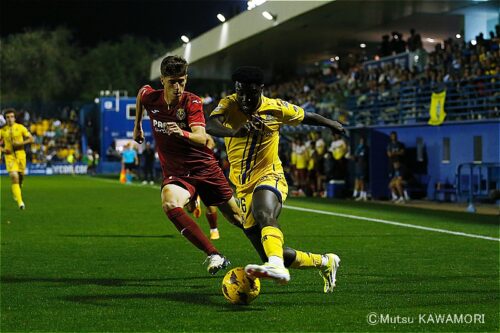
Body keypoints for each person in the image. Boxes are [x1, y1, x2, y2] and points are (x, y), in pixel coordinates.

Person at [207, 66, 344, 292]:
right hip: (242, 186)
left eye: (250, 93)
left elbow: (306, 116)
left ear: (260, 89)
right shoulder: (229, 104)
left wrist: (331, 124)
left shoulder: (276, 108)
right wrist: (235, 131)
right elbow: (210, 124)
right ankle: (325, 261)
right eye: (240, 92)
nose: (244, 98)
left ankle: (276, 267)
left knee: (264, 213)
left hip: (270, 175)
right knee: (271, 250)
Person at [133, 55, 243, 275]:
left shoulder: (192, 102)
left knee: (237, 218)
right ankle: (215, 254)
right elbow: (141, 94)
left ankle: (275, 250)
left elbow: (202, 137)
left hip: (204, 169)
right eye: (173, 81)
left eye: (182, 81)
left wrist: (181, 132)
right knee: (169, 203)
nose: (178, 87)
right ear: (162, 80)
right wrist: (138, 126)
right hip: (178, 173)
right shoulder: (150, 98)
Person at [0, 108, 34, 209]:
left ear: (14, 118)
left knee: (20, 175)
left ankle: (19, 186)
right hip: (9, 156)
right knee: (14, 176)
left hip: (20, 155)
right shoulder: (2, 131)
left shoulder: (20, 128)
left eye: (11, 117)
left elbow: (31, 138)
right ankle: (20, 202)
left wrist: (20, 143)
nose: (9, 119)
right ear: (5, 119)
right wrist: (3, 150)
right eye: (7, 117)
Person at [386, 131, 409, 202]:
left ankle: (403, 197)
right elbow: (389, 154)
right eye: (392, 136)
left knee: (398, 182)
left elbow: (402, 152)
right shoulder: (389, 145)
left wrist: (394, 153)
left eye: (395, 135)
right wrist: (396, 153)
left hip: (407, 180)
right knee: (391, 184)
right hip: (392, 166)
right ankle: (395, 197)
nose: (394, 137)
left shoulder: (400, 144)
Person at [352, 136, 368, 201]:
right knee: (357, 180)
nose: (362, 142)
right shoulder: (358, 148)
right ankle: (356, 194)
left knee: (362, 181)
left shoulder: (366, 148)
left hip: (363, 167)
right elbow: (355, 157)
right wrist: (354, 157)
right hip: (358, 167)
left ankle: (363, 195)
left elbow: (363, 157)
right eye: (361, 141)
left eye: (363, 141)